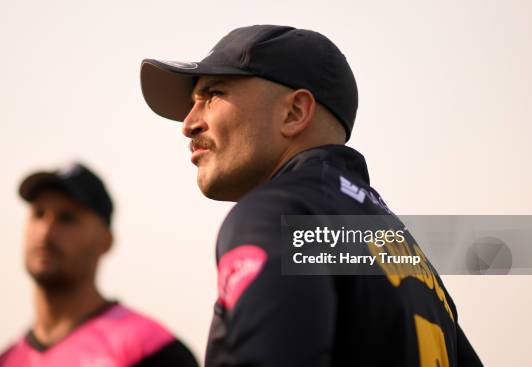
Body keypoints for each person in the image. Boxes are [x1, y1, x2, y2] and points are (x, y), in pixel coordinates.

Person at [139, 25, 483, 366]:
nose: (188, 123)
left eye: (212, 94)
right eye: (192, 103)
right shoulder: (416, 265)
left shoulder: (278, 213)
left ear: (295, 112)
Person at [0, 162, 198, 367]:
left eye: (67, 218)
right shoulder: (5, 361)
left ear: (106, 241)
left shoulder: (150, 350)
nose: (46, 232)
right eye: (38, 214)